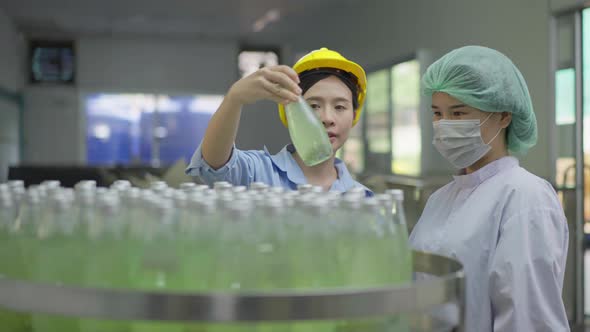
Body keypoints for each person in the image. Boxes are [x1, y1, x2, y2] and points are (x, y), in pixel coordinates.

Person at [409, 46, 569, 331]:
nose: (444, 125)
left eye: (458, 113)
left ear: (504, 116)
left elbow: (527, 319)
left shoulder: (525, 197)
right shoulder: (440, 199)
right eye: (437, 113)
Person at [186, 48, 372, 196]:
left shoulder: (363, 199)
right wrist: (234, 99)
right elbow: (214, 164)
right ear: (292, 116)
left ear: (354, 115)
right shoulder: (258, 173)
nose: (327, 118)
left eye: (340, 107)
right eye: (313, 106)